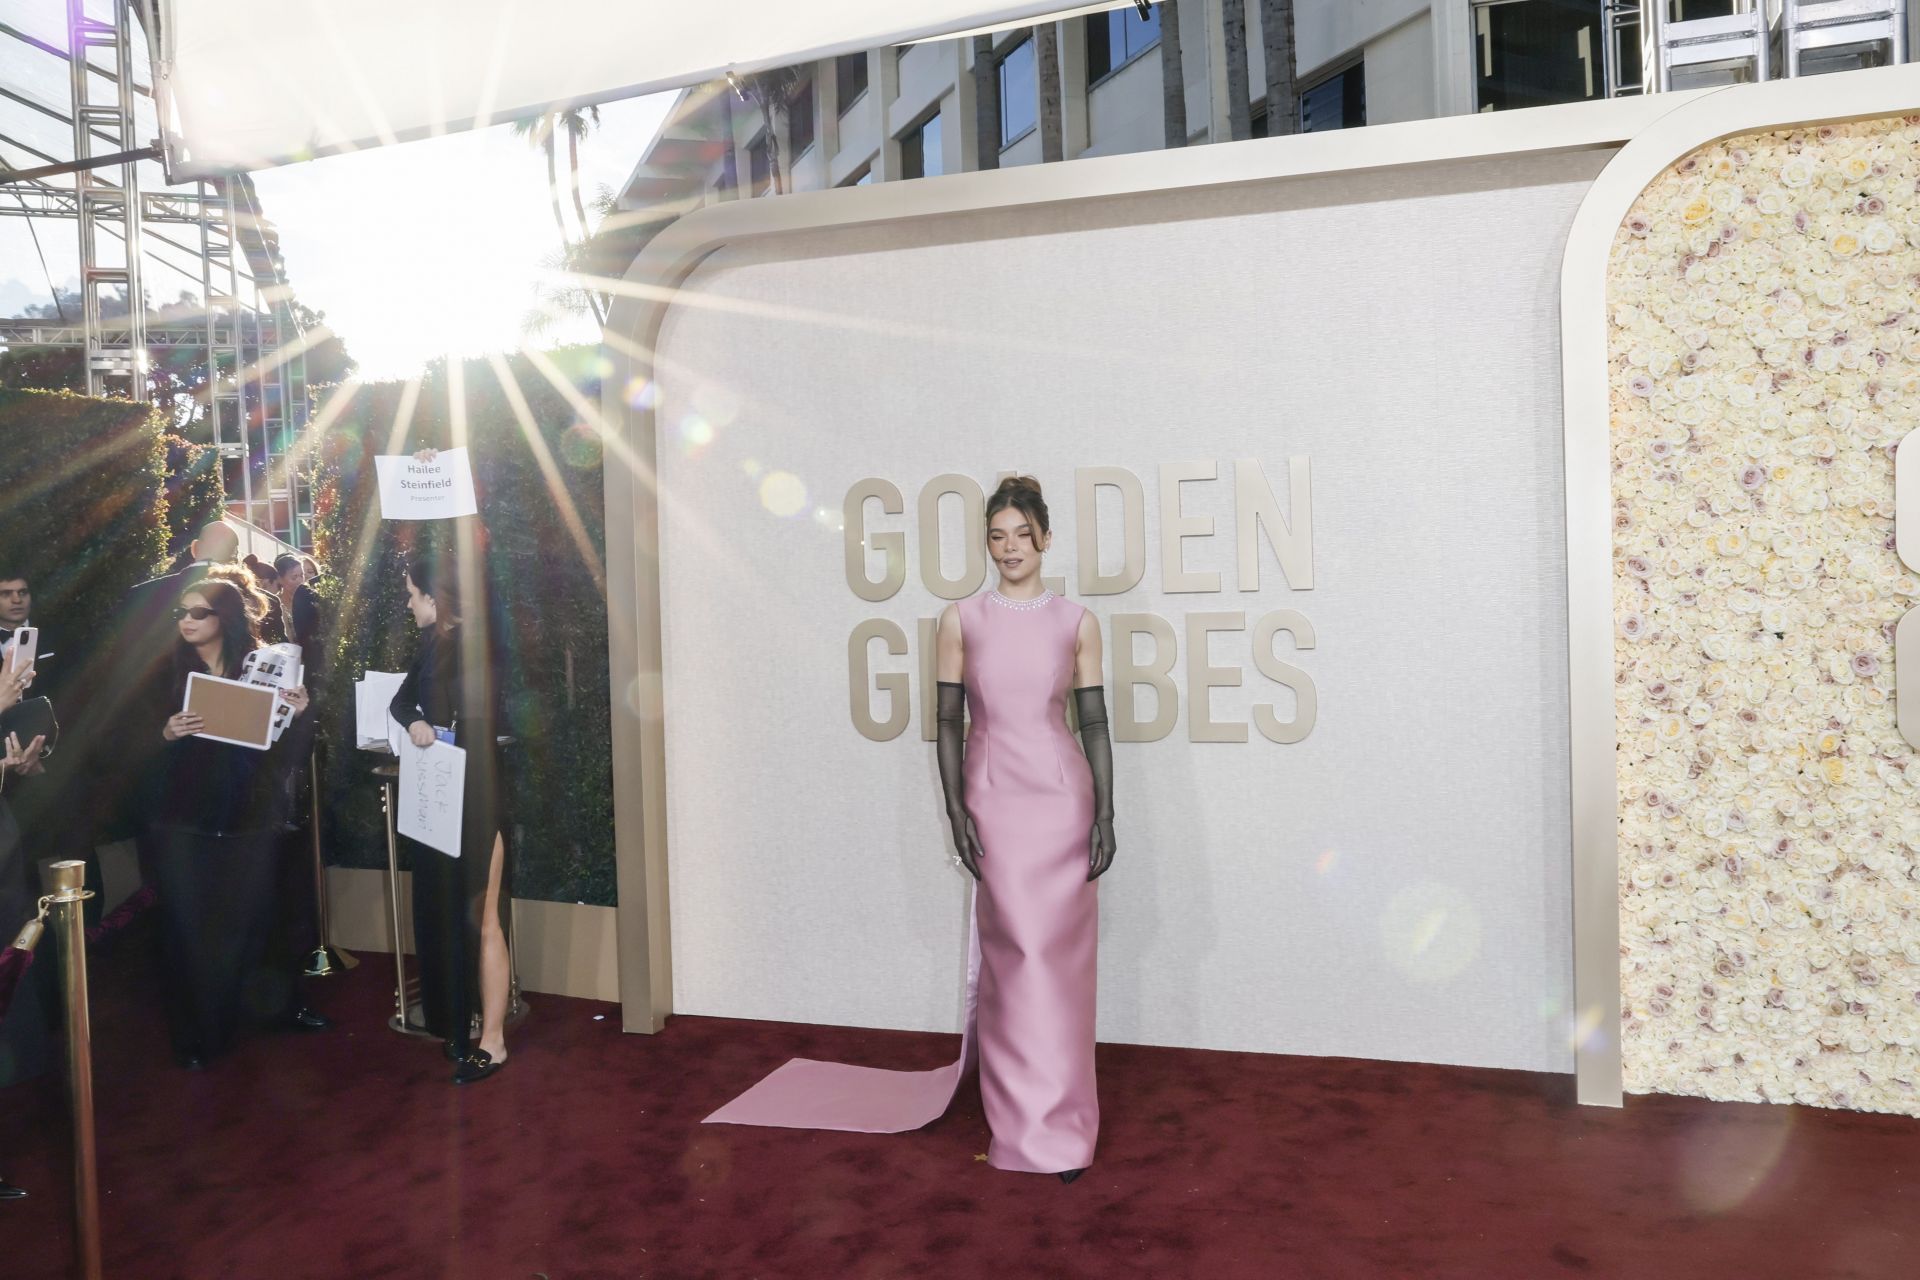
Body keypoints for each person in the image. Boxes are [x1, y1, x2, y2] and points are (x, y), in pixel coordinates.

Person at [706, 475, 1118, 1182]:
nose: (1011, 547)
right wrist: (956, 807)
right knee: (1017, 965)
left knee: (1062, 969)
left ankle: (1068, 1125)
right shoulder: (962, 620)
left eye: (1023, 534)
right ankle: (1022, 1126)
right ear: (987, 543)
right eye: (998, 535)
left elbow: (1096, 723)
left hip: (1062, 802)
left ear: (1046, 538)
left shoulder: (1077, 622)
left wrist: (1107, 811)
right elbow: (949, 720)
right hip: (996, 802)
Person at [149, 579, 323, 1069]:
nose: (186, 621)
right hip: (183, 820)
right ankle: (199, 1036)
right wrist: (165, 732)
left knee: (257, 921)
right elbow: (124, 754)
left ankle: (273, 1011)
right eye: (181, 613)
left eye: (199, 613)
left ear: (224, 618)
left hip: (250, 816)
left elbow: (286, 754)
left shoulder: (261, 668)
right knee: (189, 930)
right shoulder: (164, 675)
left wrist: (301, 712)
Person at [388, 545, 513, 1084]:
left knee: (483, 917)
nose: (409, 606)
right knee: (445, 912)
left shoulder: (481, 646)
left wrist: (444, 730)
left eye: (413, 597)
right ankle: (458, 1026)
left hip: (480, 796)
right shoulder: (430, 644)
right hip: (438, 795)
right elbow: (398, 702)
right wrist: (417, 722)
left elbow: (494, 721)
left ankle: (494, 1040)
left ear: (436, 599)